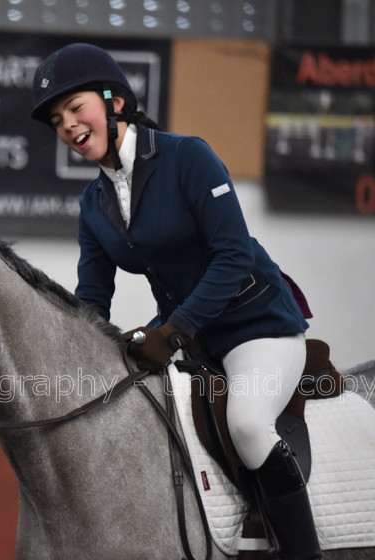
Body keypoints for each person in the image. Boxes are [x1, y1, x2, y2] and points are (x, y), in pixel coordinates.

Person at [30, 43, 321, 560]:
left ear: (114, 101)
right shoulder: (92, 203)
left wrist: (173, 331)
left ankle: (304, 553)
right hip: (187, 333)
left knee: (249, 425)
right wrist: (73, 352)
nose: (68, 126)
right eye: (57, 120)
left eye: (76, 109)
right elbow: (92, 297)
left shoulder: (188, 157)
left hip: (258, 327)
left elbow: (232, 257)